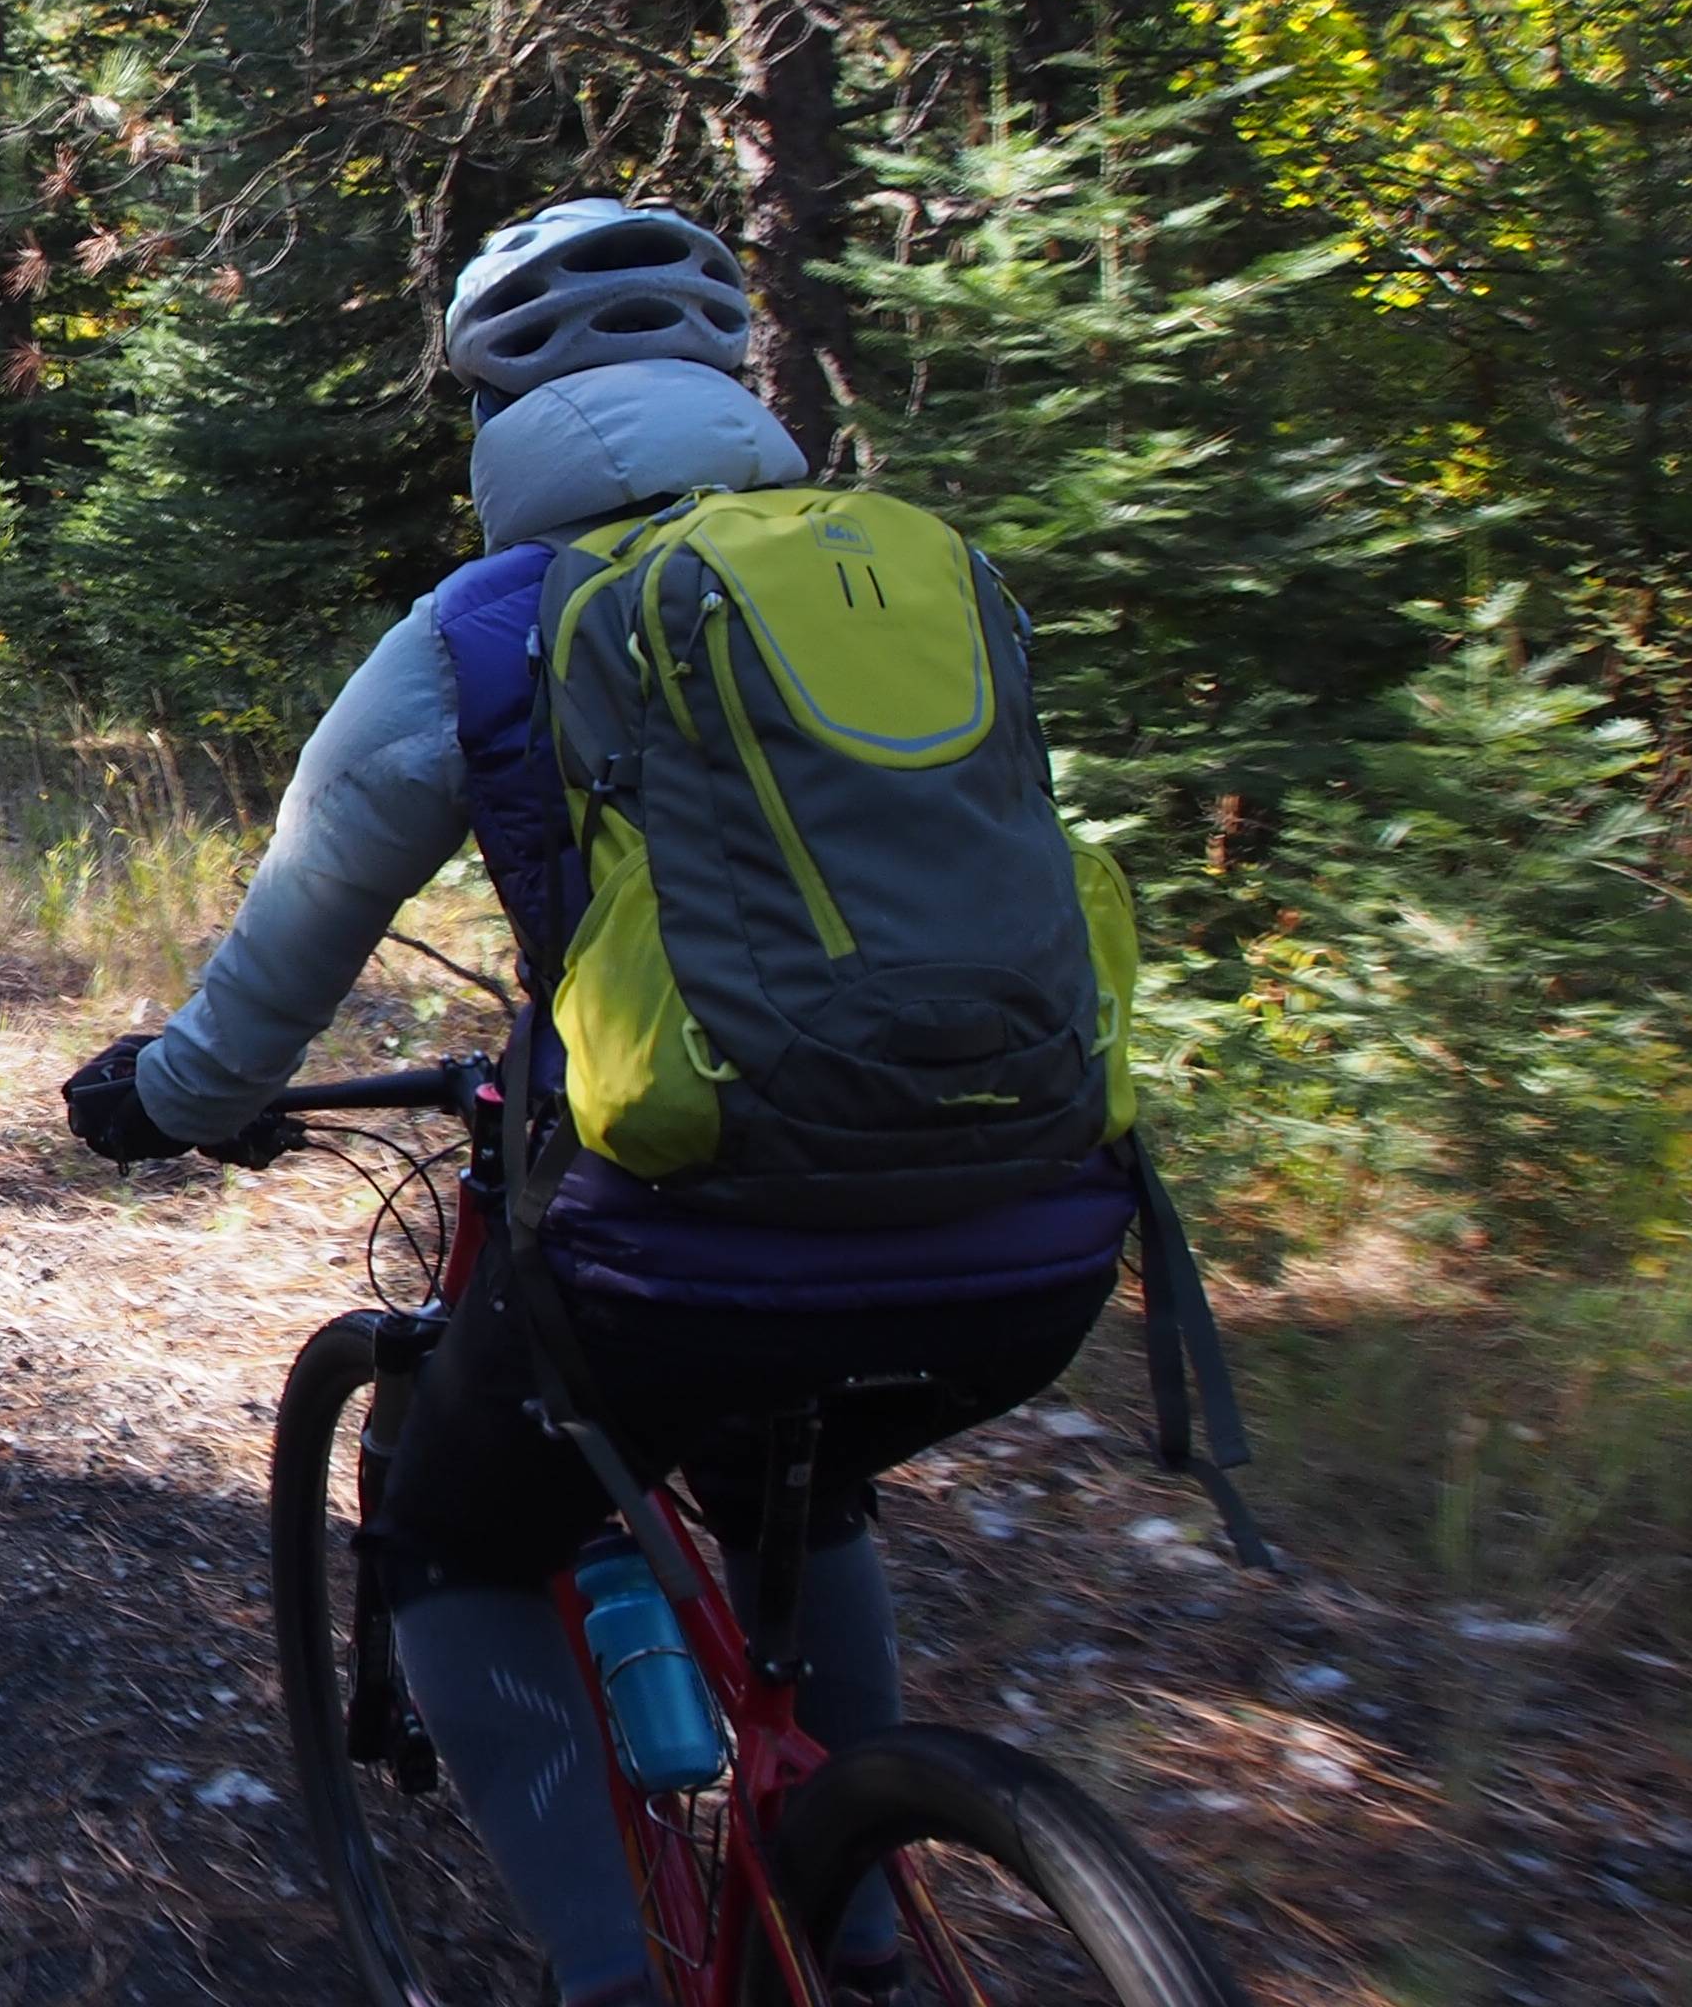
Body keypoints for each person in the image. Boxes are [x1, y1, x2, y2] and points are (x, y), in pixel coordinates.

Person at [60, 200, 1139, 2007]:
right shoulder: (920, 566)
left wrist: (175, 1099)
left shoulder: (489, 621)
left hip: (689, 1253)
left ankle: (607, 1980)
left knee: (460, 1551)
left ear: (491, 401)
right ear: (726, 375)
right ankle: (861, 1921)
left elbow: (307, 907)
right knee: (815, 1488)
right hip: (1046, 1233)